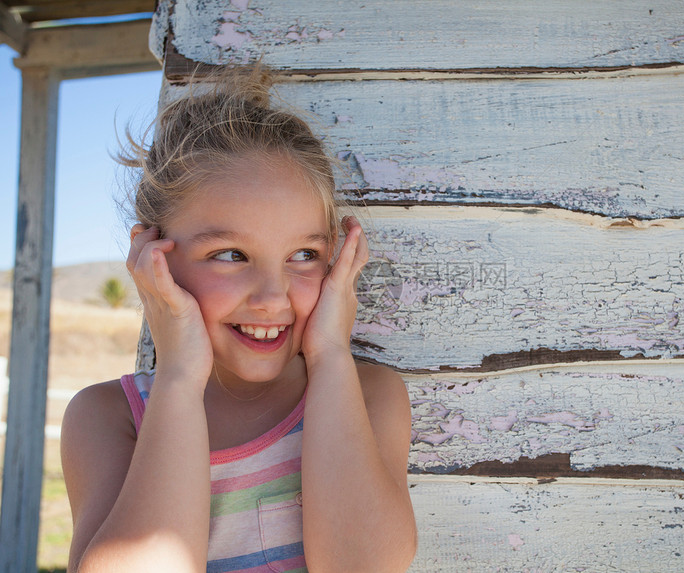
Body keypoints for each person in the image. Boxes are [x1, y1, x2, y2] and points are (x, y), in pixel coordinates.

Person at [60, 70, 417, 573]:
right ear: (152, 256)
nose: (273, 298)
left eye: (304, 254)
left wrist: (332, 355)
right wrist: (180, 379)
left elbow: (360, 565)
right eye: (230, 254)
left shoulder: (367, 396)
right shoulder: (109, 417)